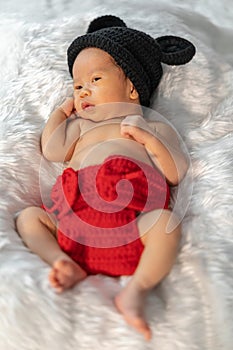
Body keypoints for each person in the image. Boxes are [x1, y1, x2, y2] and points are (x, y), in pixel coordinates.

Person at [16, 15, 195, 340]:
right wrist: (60, 114)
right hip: (75, 228)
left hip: (130, 226)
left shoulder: (153, 127)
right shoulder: (81, 126)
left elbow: (175, 172)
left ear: (131, 88)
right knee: (28, 218)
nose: (83, 91)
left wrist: (150, 141)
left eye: (95, 79)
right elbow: (53, 150)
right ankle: (62, 263)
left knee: (165, 223)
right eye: (77, 85)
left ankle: (136, 290)